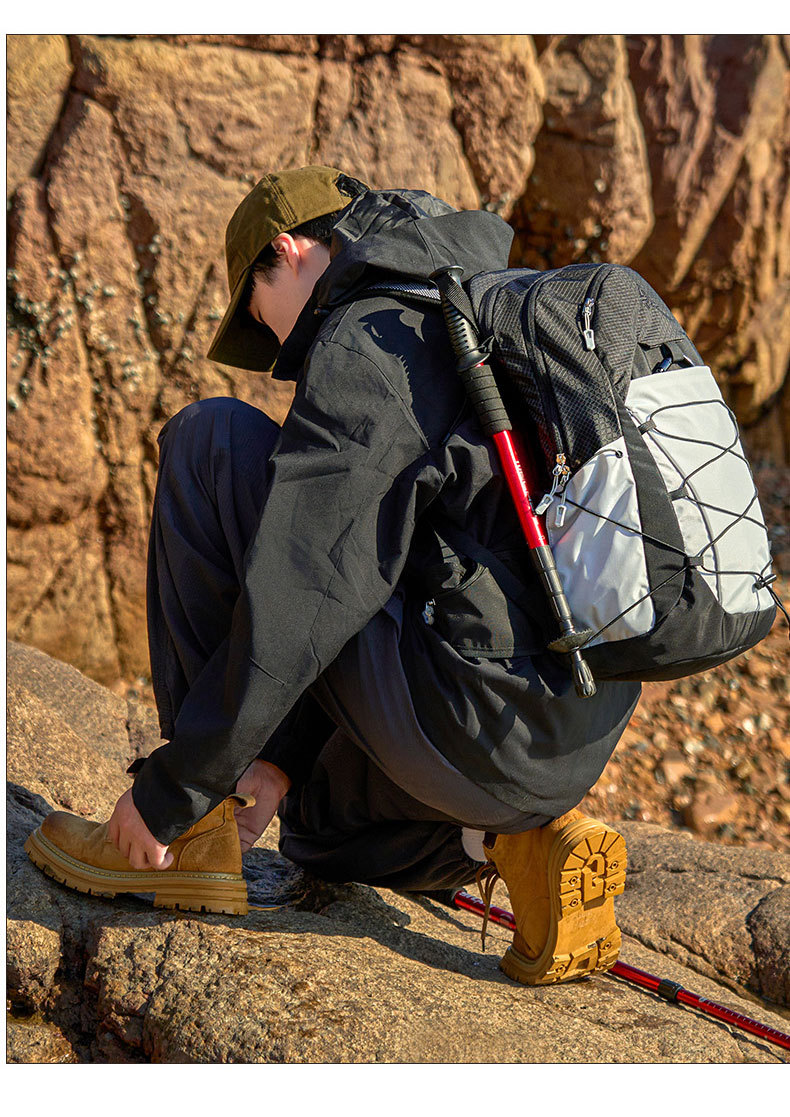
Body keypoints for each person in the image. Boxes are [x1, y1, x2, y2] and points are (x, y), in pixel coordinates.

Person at [26, 166, 640, 984]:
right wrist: (276, 761)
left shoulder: (375, 338)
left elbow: (305, 591)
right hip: (570, 731)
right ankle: (512, 838)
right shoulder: (487, 299)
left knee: (210, 441)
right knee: (315, 830)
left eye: (261, 316)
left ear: (287, 251)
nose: (280, 355)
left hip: (468, 712)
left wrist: (172, 793)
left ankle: (194, 832)